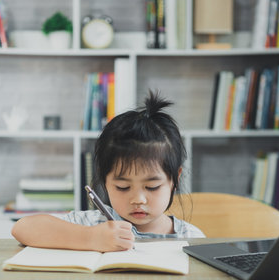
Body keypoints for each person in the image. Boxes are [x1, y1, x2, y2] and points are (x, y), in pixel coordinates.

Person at [11, 91, 205, 252]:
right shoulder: (94, 223)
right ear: (105, 181)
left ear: (174, 180)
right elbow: (22, 228)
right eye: (122, 187)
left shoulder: (191, 237)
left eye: (152, 187)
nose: (138, 199)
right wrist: (91, 238)